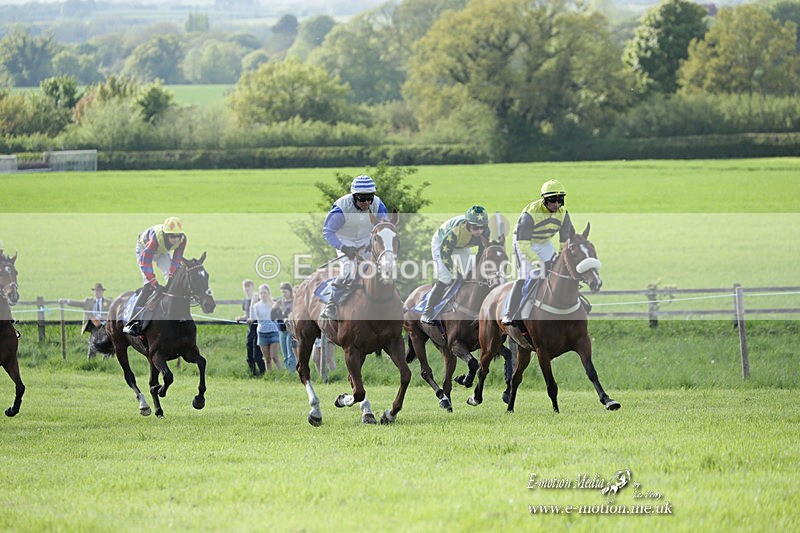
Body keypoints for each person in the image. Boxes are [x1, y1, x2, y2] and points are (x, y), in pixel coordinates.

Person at [503, 179, 574, 325]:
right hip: (524, 243)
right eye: (552, 200)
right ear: (544, 200)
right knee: (526, 275)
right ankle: (510, 312)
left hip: (544, 242)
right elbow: (523, 245)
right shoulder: (530, 214)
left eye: (560, 200)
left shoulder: (563, 214)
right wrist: (538, 263)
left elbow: (564, 242)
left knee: (556, 271)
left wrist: (561, 258)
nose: (556, 204)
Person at [320, 175, 389, 320]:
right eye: (362, 199)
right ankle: (331, 305)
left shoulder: (377, 204)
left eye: (369, 198)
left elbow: (385, 226)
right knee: (349, 270)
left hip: (367, 241)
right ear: (354, 196)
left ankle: (394, 301)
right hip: (344, 241)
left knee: (384, 267)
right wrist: (343, 248)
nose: (366, 202)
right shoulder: (341, 207)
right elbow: (327, 231)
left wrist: (374, 243)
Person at [421, 205, 490, 324]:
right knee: (446, 278)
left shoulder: (485, 232)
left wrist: (472, 270)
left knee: (470, 275)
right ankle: (427, 312)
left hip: (462, 246)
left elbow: (480, 253)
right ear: (468, 224)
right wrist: (456, 272)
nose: (479, 231)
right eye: (475, 227)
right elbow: (445, 255)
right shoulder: (456, 231)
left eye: (481, 227)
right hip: (442, 244)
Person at [123, 216, 187, 335]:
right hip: (144, 249)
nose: (175, 238)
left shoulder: (183, 240)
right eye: (172, 236)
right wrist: (154, 283)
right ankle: (132, 322)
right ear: (165, 234)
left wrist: (171, 277)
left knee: (173, 281)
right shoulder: (156, 238)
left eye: (178, 235)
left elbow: (177, 260)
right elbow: (145, 263)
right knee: (148, 286)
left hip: (161, 252)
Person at [59, 283, 112, 358]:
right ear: (94, 292)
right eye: (96, 291)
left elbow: (112, 312)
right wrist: (66, 301)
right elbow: (78, 303)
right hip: (94, 325)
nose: (98, 292)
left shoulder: (108, 302)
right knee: (93, 342)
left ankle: (106, 361)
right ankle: (91, 360)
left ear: (102, 292)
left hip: (105, 325)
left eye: (99, 291)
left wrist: (102, 317)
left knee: (106, 342)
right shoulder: (88, 301)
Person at [250, 283, 282, 372]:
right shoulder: (257, 306)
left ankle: (282, 374)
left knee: (274, 356)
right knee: (267, 358)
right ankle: (270, 375)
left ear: (268, 293)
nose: (263, 295)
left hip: (273, 331)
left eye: (265, 293)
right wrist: (252, 304)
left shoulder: (273, 304)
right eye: (261, 293)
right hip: (262, 333)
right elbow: (253, 318)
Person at [236, 279, 263, 376]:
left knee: (257, 354)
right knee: (249, 352)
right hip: (250, 328)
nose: (247, 289)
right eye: (245, 287)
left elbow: (260, 314)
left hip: (258, 328)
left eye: (249, 286)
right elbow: (246, 315)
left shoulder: (257, 299)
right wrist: (241, 318)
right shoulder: (245, 301)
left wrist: (252, 318)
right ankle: (252, 373)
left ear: (252, 287)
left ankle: (263, 373)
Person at [271, 282, 297, 373]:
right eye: (282, 292)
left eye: (285, 292)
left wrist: (284, 313)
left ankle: (293, 372)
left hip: (290, 330)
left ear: (290, 292)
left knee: (291, 354)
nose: (283, 294)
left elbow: (292, 315)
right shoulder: (280, 303)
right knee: (285, 354)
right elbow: (272, 317)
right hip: (281, 330)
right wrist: (274, 308)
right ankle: (288, 372)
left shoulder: (293, 303)